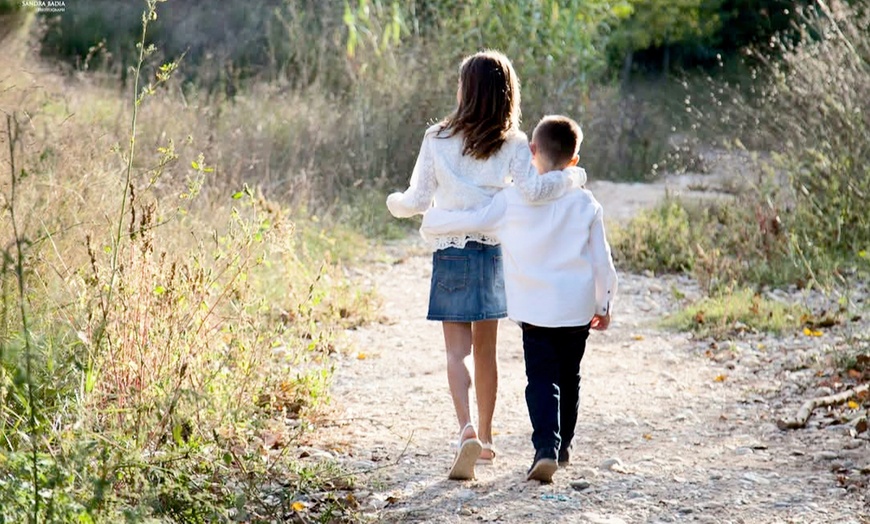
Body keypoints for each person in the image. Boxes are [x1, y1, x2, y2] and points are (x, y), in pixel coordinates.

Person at [386, 51, 574, 481]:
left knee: (456, 352)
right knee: (487, 351)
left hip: (450, 252)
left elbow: (415, 201)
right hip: (491, 253)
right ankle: (487, 441)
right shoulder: (512, 143)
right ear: (507, 94)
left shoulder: (436, 137)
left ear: (465, 90)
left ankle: (465, 429)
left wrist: (392, 202)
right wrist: (569, 179)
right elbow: (532, 191)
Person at [420, 115, 618, 483]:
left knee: (541, 379)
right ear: (574, 161)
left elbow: (474, 221)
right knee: (569, 377)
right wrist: (604, 304)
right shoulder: (587, 203)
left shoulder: (512, 201)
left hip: (535, 312)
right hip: (576, 311)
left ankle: (545, 447)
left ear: (530, 153)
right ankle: (562, 448)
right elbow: (602, 260)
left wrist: (433, 221)